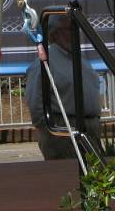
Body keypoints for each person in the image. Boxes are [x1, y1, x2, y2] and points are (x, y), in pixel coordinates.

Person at [24, 13, 102, 160]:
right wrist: (53, 132)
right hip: (64, 133)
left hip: (89, 131)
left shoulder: (79, 59)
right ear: (55, 33)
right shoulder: (46, 61)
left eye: (75, 29)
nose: (74, 33)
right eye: (69, 29)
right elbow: (35, 102)